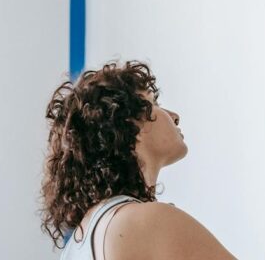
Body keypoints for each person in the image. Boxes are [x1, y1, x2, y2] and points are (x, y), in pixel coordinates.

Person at [40, 61, 236, 260]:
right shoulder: (147, 222)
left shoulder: (77, 245)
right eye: (154, 104)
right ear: (129, 124)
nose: (174, 117)